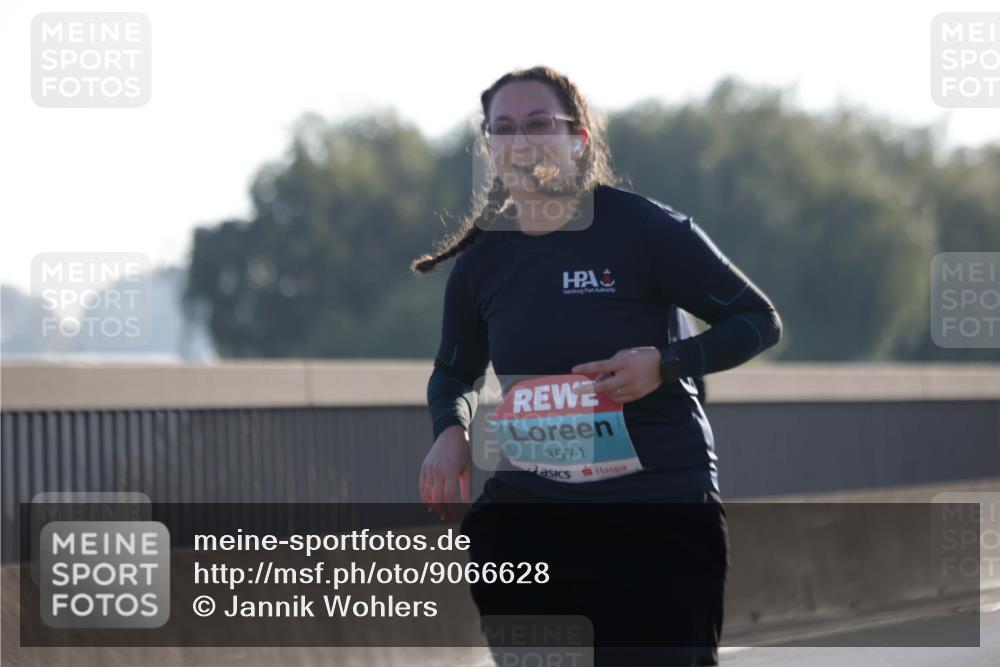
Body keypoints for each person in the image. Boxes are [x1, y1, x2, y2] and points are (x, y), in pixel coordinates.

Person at [411, 65, 782, 666]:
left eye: (538, 123)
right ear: (489, 147)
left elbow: (757, 319)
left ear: (577, 138)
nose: (520, 140)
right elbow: (454, 373)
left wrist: (664, 363)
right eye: (501, 129)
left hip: (656, 512)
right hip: (533, 518)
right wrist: (448, 432)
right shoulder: (482, 263)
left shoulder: (644, 230)